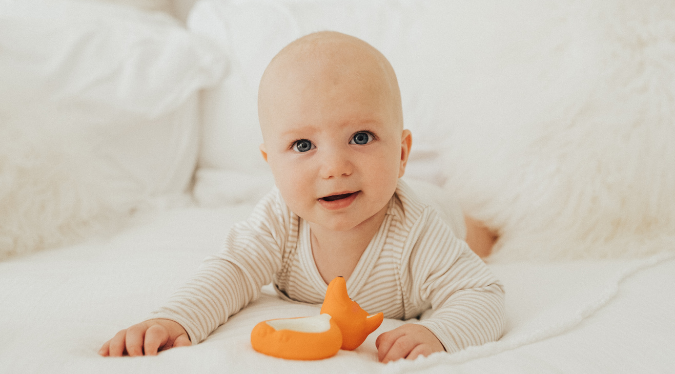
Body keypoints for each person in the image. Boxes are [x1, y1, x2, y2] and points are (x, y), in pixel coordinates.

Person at [99, 31, 504, 363]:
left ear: (400, 154)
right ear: (270, 163)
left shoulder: (418, 230)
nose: (334, 167)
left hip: (439, 207)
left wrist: (440, 331)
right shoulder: (278, 222)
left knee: (478, 237)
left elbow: (482, 294)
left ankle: (478, 225)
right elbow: (232, 271)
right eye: (303, 145)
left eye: (360, 138)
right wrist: (176, 319)